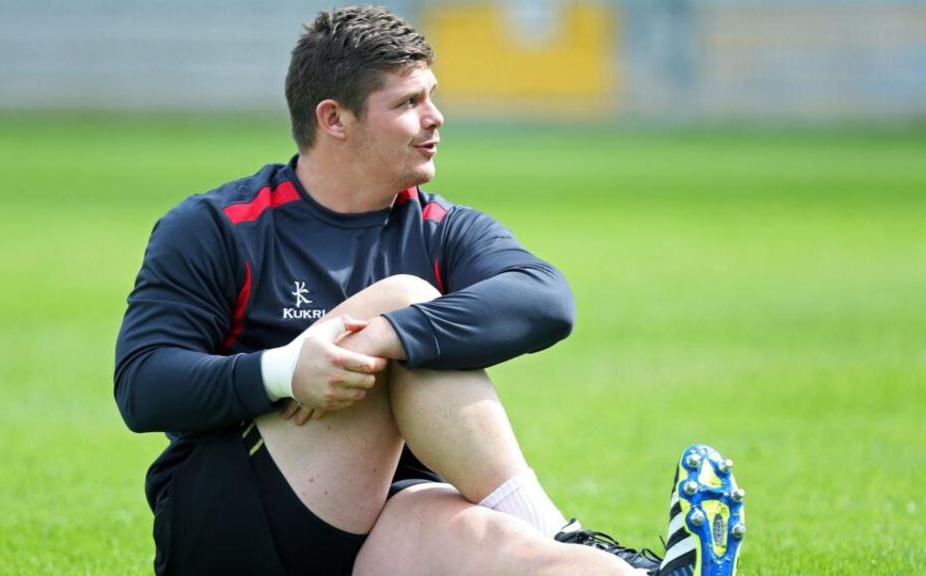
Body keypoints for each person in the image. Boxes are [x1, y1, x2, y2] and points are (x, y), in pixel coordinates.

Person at [114, 6, 746, 575]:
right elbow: (143, 385)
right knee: (404, 297)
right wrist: (285, 371)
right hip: (234, 524)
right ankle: (564, 530)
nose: (436, 118)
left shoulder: (442, 225)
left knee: (516, 553)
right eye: (408, 102)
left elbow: (546, 300)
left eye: (432, 96)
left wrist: (392, 338)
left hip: (390, 513)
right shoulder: (216, 226)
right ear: (333, 119)